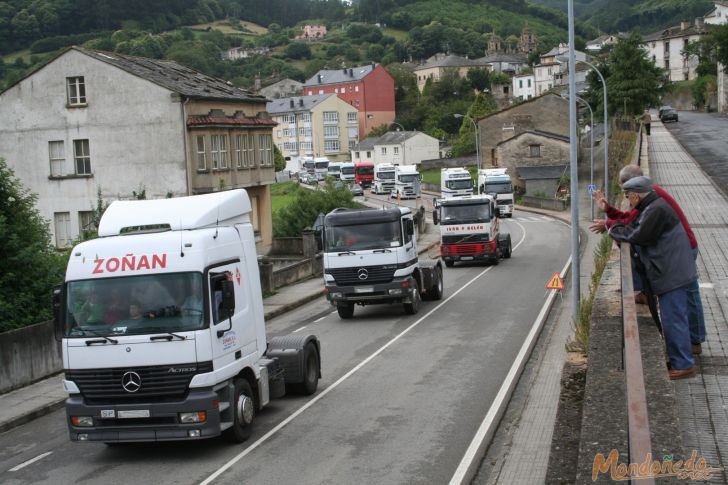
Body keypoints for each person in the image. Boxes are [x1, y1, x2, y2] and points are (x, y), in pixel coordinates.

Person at [590, 165, 706, 355]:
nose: (626, 197)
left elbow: (635, 228)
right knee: (688, 295)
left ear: (633, 188)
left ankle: (694, 340)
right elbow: (630, 218)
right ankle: (692, 340)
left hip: (681, 249)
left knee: (689, 296)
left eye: (625, 192)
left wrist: (609, 225)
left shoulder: (651, 197)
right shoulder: (649, 194)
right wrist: (609, 212)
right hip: (681, 246)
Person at [609, 176, 696, 379]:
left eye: (629, 196)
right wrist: (617, 227)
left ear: (637, 196)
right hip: (673, 268)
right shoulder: (653, 206)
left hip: (671, 271)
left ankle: (683, 364)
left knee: (673, 319)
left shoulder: (655, 210)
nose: (629, 201)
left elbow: (638, 235)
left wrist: (613, 230)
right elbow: (635, 227)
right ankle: (679, 360)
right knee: (673, 318)